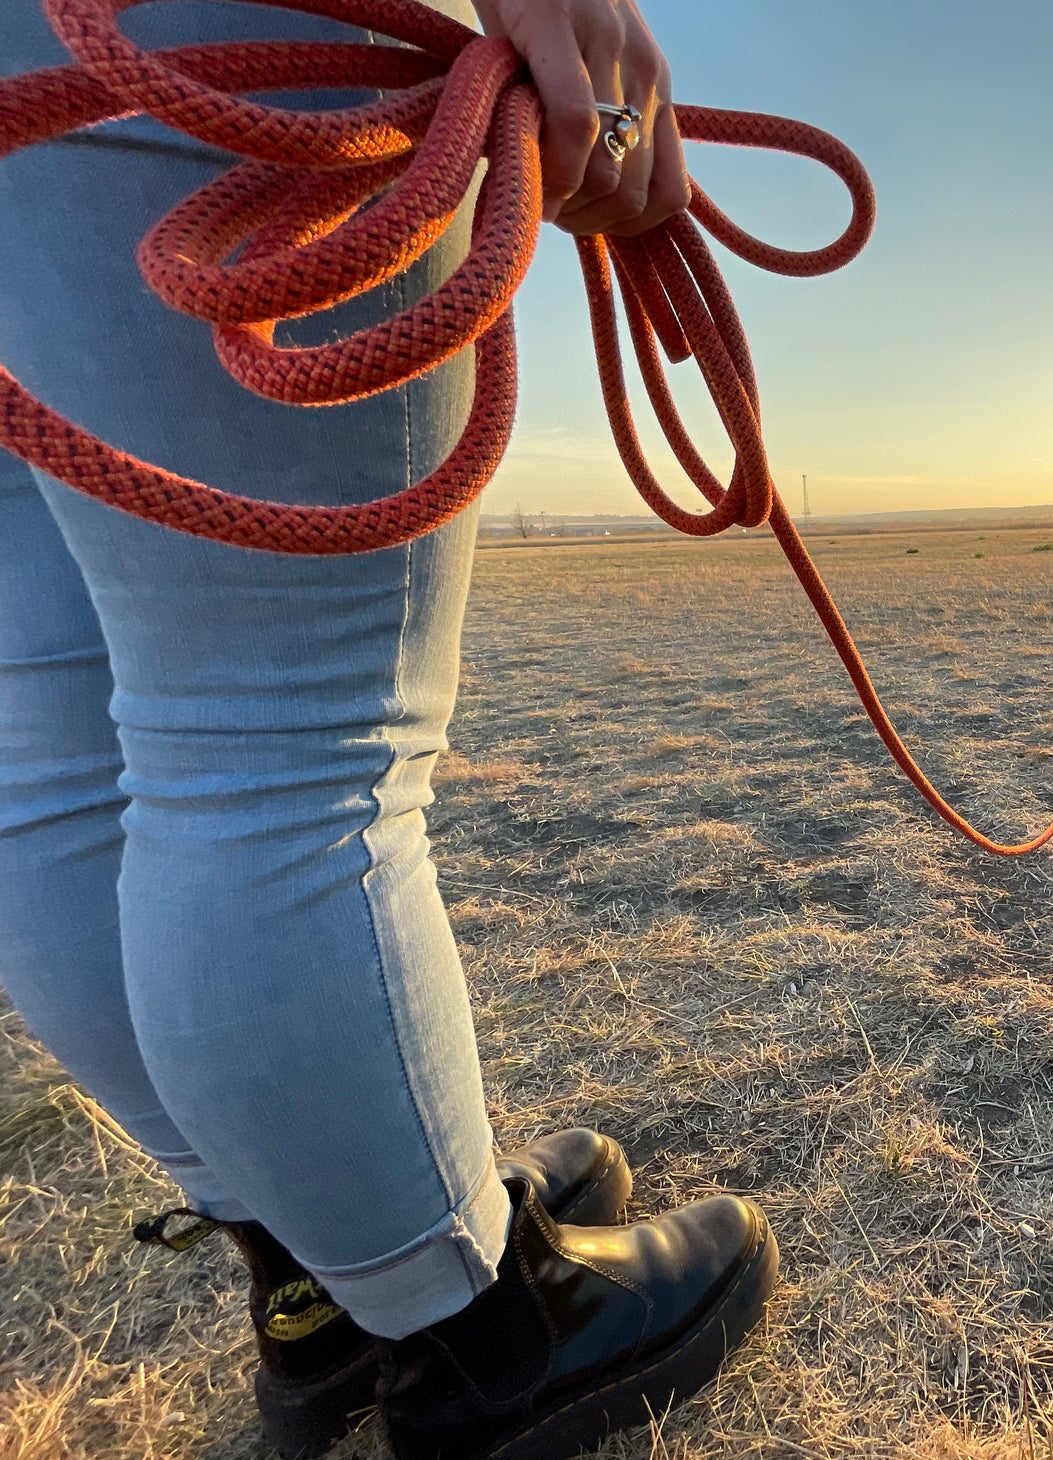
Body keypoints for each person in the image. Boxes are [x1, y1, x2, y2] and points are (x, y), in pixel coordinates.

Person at [0, 0, 777, 1456]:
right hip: (144, 43)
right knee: (280, 744)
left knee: (62, 751)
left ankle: (315, 1279)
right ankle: (475, 1330)